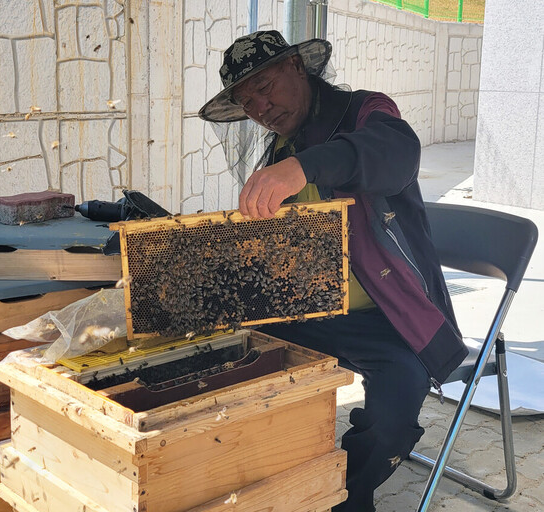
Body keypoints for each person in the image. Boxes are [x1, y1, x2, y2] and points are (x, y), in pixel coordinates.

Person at [198, 30, 468, 511]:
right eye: (248, 100)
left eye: (266, 86)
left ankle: (344, 494)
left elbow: (395, 154)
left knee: (394, 407)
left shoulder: (367, 112)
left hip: (388, 316)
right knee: (226, 362)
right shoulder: (281, 146)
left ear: (297, 68)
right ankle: (270, 482)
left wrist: (303, 167)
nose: (261, 106)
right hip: (306, 313)